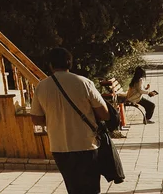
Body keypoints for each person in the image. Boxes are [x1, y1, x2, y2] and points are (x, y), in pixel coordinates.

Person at [28, 47, 111, 194]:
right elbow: (105, 114)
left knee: (73, 188)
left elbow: (36, 119)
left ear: (50, 65)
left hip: (59, 147)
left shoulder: (42, 86)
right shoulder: (84, 82)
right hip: (86, 144)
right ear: (69, 63)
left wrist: (55, 119)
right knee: (91, 189)